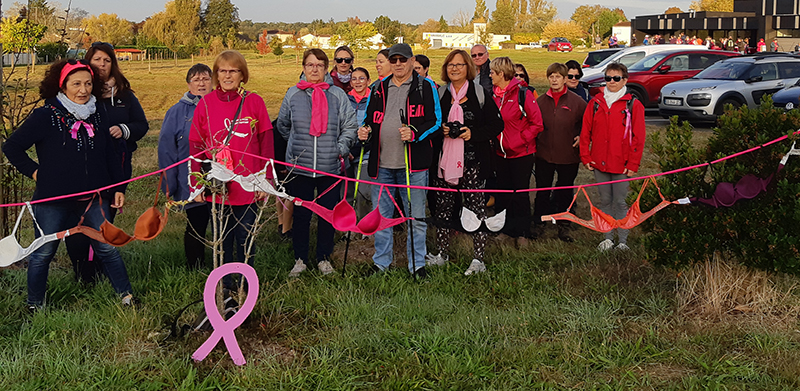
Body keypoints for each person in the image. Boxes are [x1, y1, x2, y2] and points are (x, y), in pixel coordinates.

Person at [3, 59, 135, 310]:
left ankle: (127, 297)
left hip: (94, 198)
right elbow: (12, 147)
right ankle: (35, 306)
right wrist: (34, 172)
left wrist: (118, 187)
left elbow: (110, 153)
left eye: (88, 83)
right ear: (62, 86)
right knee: (43, 253)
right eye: (76, 84)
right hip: (52, 201)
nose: (83, 90)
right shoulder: (45, 115)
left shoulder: (99, 113)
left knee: (107, 248)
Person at [65, 41, 149, 284]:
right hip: (82, 167)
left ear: (113, 64)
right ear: (88, 62)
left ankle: (100, 268)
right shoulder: (79, 91)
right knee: (77, 224)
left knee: (103, 223)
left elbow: (142, 125)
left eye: (107, 60)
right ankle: (83, 274)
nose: (101, 64)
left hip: (116, 166)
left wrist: (124, 130)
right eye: (97, 59)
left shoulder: (124, 95)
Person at [189, 50, 273, 289]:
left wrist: (264, 180)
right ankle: (226, 286)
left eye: (233, 71)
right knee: (222, 239)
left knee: (246, 238)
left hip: (248, 183)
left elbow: (266, 140)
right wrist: (196, 183)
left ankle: (247, 286)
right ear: (216, 74)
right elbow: (196, 145)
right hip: (219, 186)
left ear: (242, 75)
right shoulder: (205, 104)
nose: (227, 76)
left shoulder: (254, 102)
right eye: (222, 71)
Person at [358, 43, 441, 278]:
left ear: (411, 60)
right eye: (393, 60)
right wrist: (365, 131)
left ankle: (417, 265)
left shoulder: (425, 87)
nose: (397, 64)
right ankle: (381, 263)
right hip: (382, 164)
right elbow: (368, 119)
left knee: (415, 217)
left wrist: (415, 133)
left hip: (412, 166)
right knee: (381, 217)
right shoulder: (378, 87)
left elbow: (435, 122)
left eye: (402, 60)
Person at [277, 49, 358, 277]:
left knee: (327, 214)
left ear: (325, 69)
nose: (314, 69)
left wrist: (338, 149)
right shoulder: (293, 94)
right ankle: (300, 258)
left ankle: (323, 257)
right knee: (301, 215)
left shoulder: (337, 95)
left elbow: (349, 126)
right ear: (303, 67)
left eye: (319, 65)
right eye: (310, 65)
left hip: (329, 166)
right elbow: (283, 125)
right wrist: (295, 147)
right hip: (300, 167)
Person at [425, 49, 503, 275]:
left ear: (468, 67)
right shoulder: (440, 93)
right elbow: (431, 125)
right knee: (443, 207)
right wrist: (442, 130)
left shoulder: (479, 93)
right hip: (444, 162)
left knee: (476, 209)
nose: (454, 68)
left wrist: (472, 133)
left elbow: (497, 125)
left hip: (473, 163)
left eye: (459, 64)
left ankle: (478, 259)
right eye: (450, 65)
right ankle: (442, 253)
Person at [579, 63, 645, 251]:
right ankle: (607, 237)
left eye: (616, 78)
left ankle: (622, 240)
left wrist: (633, 163)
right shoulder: (595, 103)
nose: (612, 82)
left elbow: (638, 136)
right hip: (599, 162)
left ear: (625, 80)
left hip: (621, 163)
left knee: (621, 202)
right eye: (608, 78)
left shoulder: (633, 104)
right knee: (605, 201)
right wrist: (586, 156)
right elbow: (586, 132)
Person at [158, 63, 212, 269]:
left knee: (220, 222)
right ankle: (195, 265)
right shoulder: (177, 112)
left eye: (206, 79)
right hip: (189, 176)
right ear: (188, 83)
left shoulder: (219, 106)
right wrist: (169, 184)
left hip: (219, 174)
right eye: (196, 79)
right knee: (197, 222)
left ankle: (223, 264)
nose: (201, 83)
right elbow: (166, 149)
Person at [488, 57, 541, 247]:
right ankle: (504, 229)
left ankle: (522, 232)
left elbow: (537, 124)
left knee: (520, 194)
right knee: (503, 193)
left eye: (492, 72)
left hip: (521, 153)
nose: (490, 75)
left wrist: (519, 141)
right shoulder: (493, 95)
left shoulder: (523, 93)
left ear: (501, 74)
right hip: (500, 154)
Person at [535, 63, 589, 243]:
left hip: (568, 155)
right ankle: (539, 222)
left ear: (565, 79)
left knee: (565, 190)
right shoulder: (540, 101)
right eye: (551, 76)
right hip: (543, 154)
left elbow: (589, 123)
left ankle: (564, 224)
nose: (554, 80)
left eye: (558, 76)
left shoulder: (577, 102)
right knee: (542, 190)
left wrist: (582, 136)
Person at [346, 67, 373, 221]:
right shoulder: (345, 100)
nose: (358, 82)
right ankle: (349, 225)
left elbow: (374, 129)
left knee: (364, 192)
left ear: (368, 81)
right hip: (346, 152)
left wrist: (355, 151)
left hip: (365, 153)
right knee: (347, 192)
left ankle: (365, 225)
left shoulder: (374, 100)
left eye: (361, 78)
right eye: (354, 79)